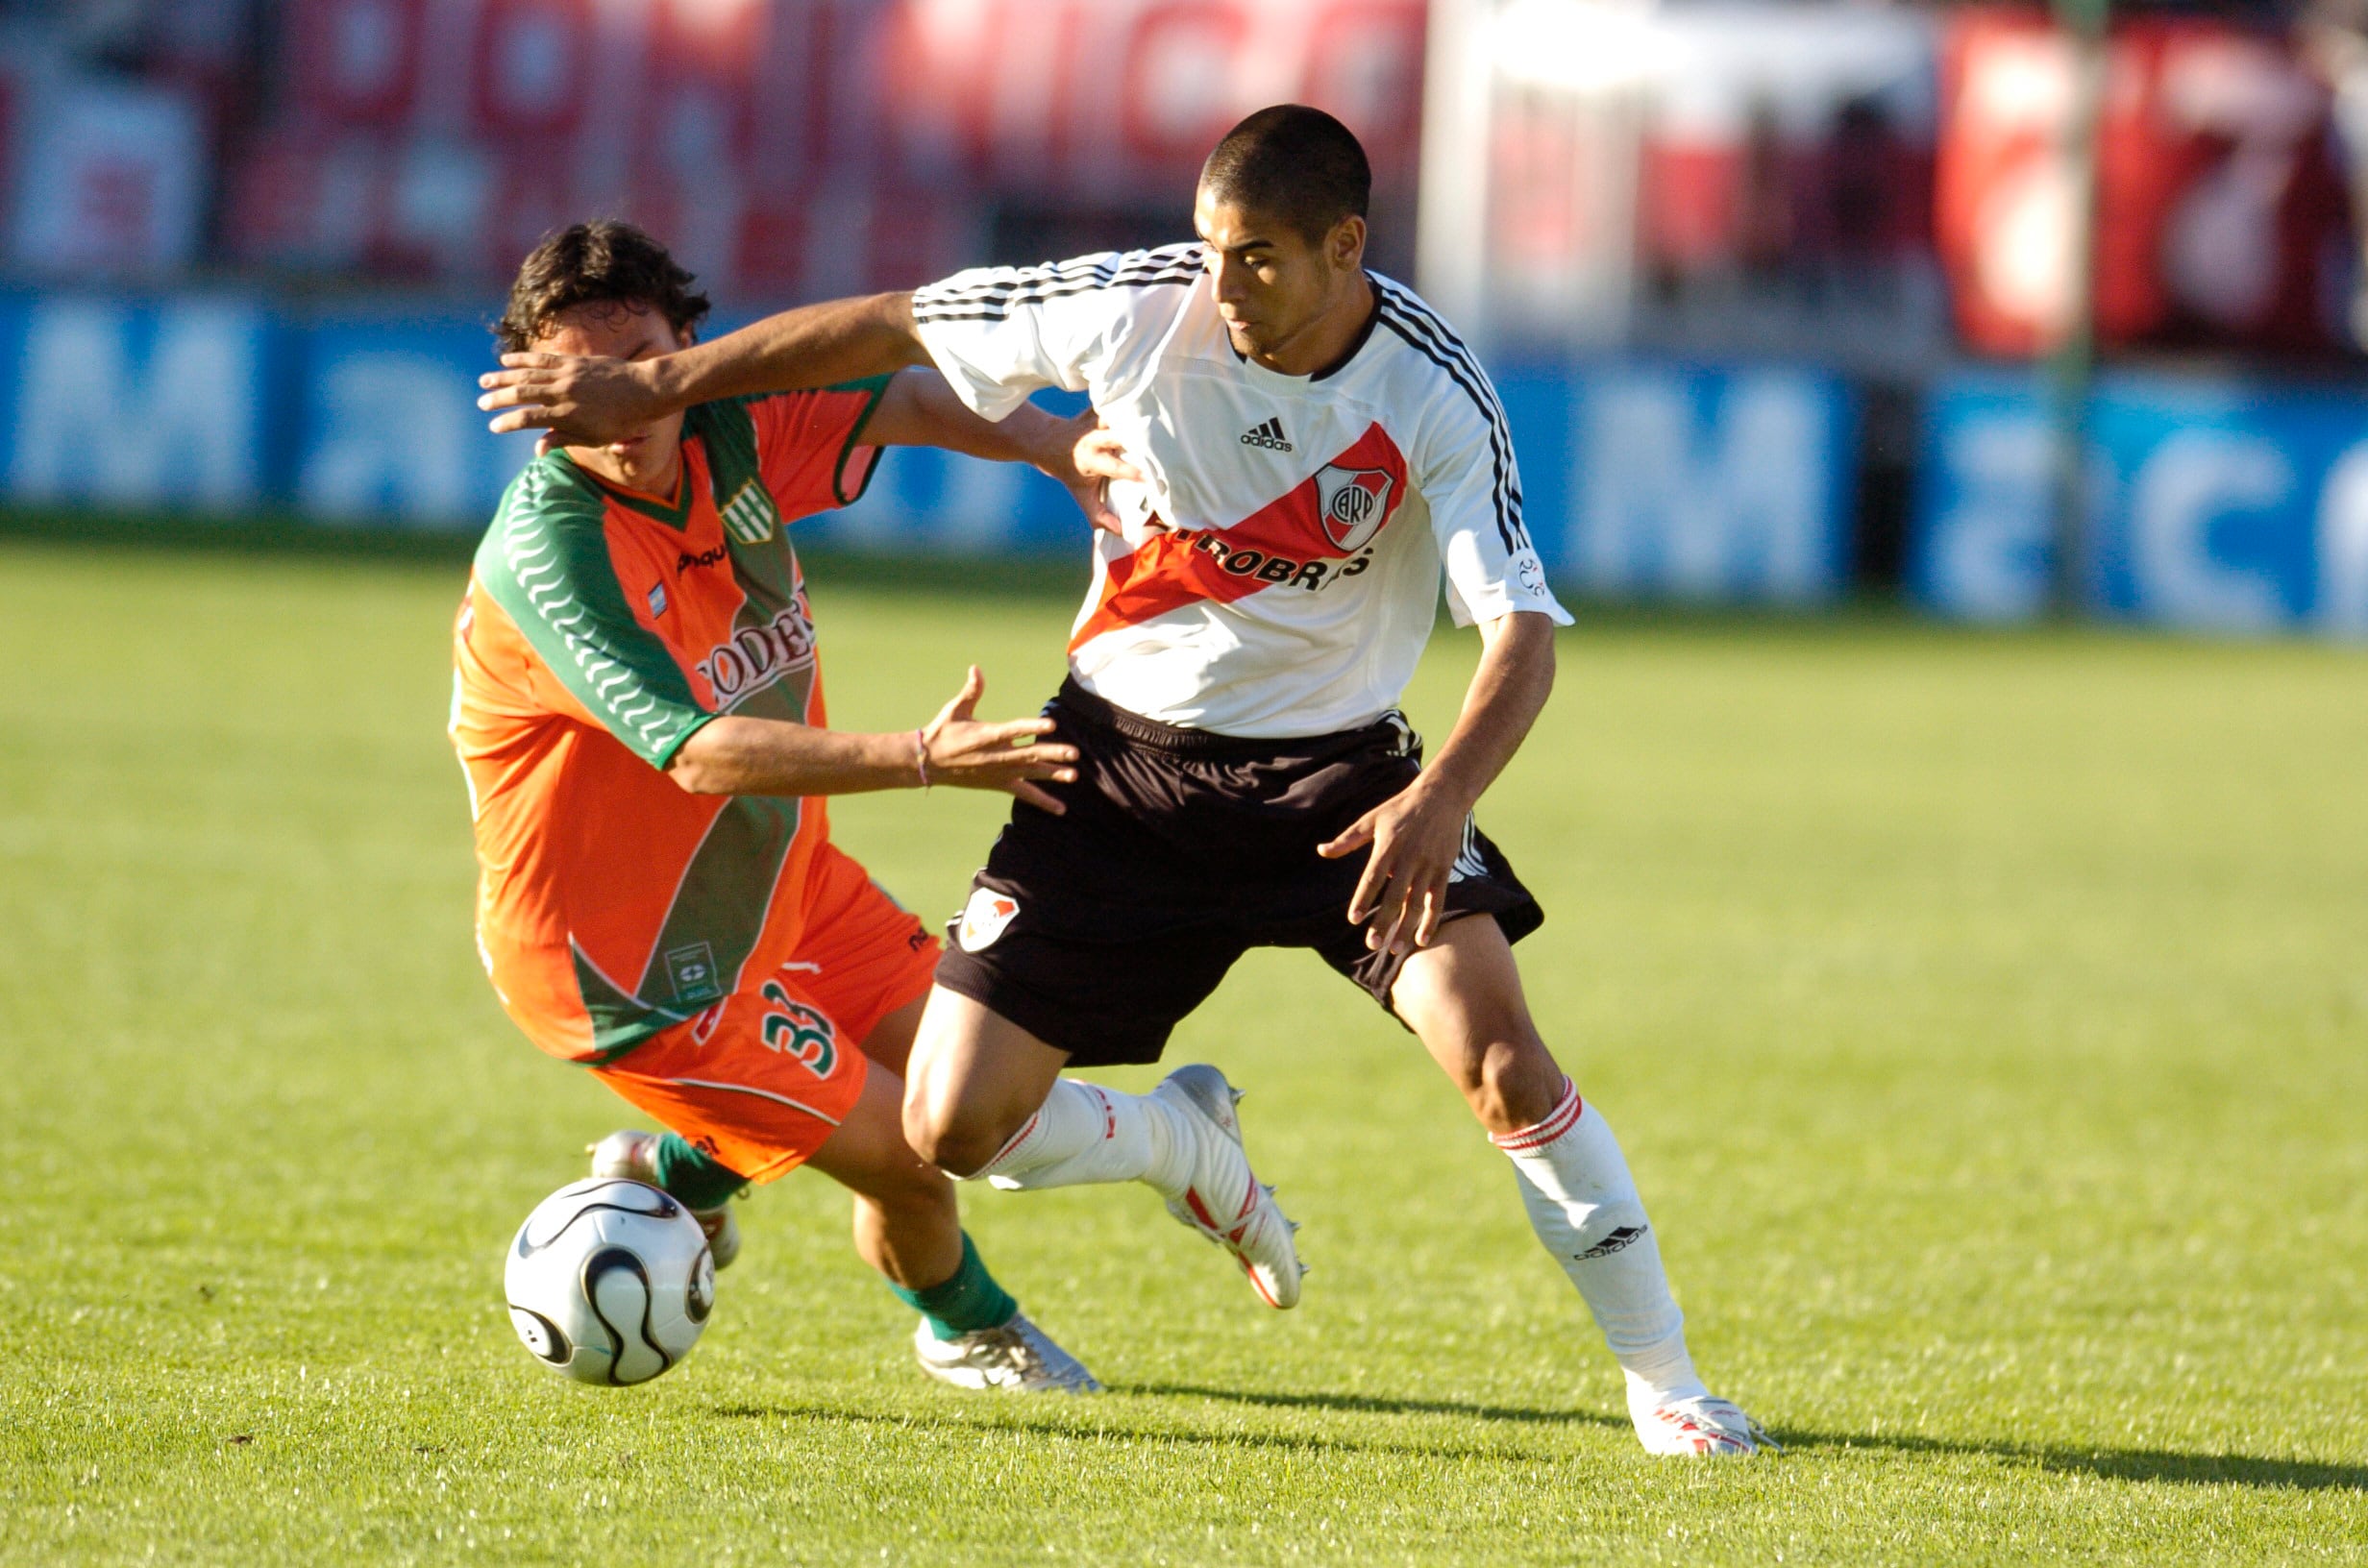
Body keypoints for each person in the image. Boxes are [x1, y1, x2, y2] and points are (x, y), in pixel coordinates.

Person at [476, 111, 1770, 1456]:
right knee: (952, 1125)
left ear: (1346, 246)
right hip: (1115, 771)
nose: (1222, 287)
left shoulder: (1434, 387)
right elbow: (894, 324)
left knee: (1501, 1058)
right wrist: (669, 390)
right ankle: (1183, 1148)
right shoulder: (1134, 303)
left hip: (1342, 788)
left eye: (1256, 259)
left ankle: (1666, 1382)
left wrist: (1439, 795)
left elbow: (1523, 632)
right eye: (1209, 250)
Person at [453, 219, 1121, 1395]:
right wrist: (919, 757)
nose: (616, 405)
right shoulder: (553, 550)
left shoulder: (726, 434)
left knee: (981, 1087)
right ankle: (966, 1328)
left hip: (786, 886)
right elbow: (702, 754)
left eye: (638, 366)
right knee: (915, 1163)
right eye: (582, 379)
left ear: (685, 355)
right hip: (635, 968)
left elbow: (908, 397)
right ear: (539, 390)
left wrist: (1052, 447)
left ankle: (671, 1172)